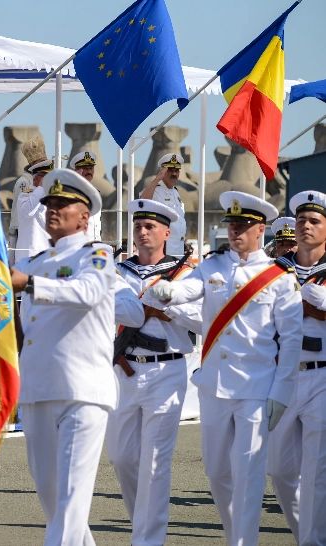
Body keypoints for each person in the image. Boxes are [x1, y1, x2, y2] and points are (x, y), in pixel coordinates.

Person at [145, 190, 302, 546]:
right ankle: (237, 536)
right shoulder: (213, 265)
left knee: (248, 475)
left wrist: (282, 391)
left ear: (260, 229)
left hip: (256, 389)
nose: (235, 231)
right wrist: (167, 291)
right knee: (217, 473)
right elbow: (189, 291)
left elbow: (291, 341)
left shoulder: (278, 276)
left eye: (243, 225)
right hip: (214, 386)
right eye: (232, 224)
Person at [8, 168, 115, 545]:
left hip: (81, 391)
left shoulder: (97, 255)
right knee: (53, 501)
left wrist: (31, 285)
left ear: (84, 216)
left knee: (71, 501)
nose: (53, 210)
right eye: (50, 203)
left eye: (63, 204)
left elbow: (87, 292)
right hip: (38, 390)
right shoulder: (35, 262)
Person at [108, 198, 202, 546]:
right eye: (138, 226)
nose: (142, 232)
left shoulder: (185, 274)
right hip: (126, 370)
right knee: (121, 457)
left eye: (150, 227)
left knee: (154, 462)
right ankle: (142, 526)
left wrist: (169, 311)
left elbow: (205, 320)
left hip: (167, 371)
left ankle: (148, 540)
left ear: (166, 232)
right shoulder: (118, 271)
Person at [267, 190, 326, 545]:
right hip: (283, 376)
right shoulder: (275, 271)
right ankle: (310, 533)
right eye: (302, 220)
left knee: (316, 471)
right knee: (280, 471)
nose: (305, 226)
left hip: (322, 374)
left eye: (314, 221)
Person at [12, 136, 53, 261]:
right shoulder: (26, 193)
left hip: (47, 253)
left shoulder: (52, 194)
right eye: (47, 176)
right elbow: (24, 213)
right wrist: (41, 188)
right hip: (29, 254)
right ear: (36, 178)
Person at [140, 153, 187, 255]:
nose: (174, 174)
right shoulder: (156, 190)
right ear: (163, 172)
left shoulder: (175, 192)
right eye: (170, 170)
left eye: (176, 170)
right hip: (165, 250)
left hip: (178, 249)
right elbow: (142, 202)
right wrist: (157, 179)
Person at [67, 150, 103, 242]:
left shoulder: (96, 192)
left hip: (95, 245)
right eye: (85, 168)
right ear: (77, 171)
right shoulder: (71, 192)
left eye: (91, 168)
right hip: (80, 244)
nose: (89, 171)